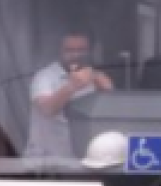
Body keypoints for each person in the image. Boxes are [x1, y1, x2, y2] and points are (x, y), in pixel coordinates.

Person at [27, 31, 112, 161]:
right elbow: (47, 108)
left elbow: (110, 116)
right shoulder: (44, 77)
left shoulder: (94, 78)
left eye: (81, 50)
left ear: (90, 51)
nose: (75, 55)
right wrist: (72, 86)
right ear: (59, 51)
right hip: (45, 163)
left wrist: (106, 90)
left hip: (81, 161)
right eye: (69, 50)